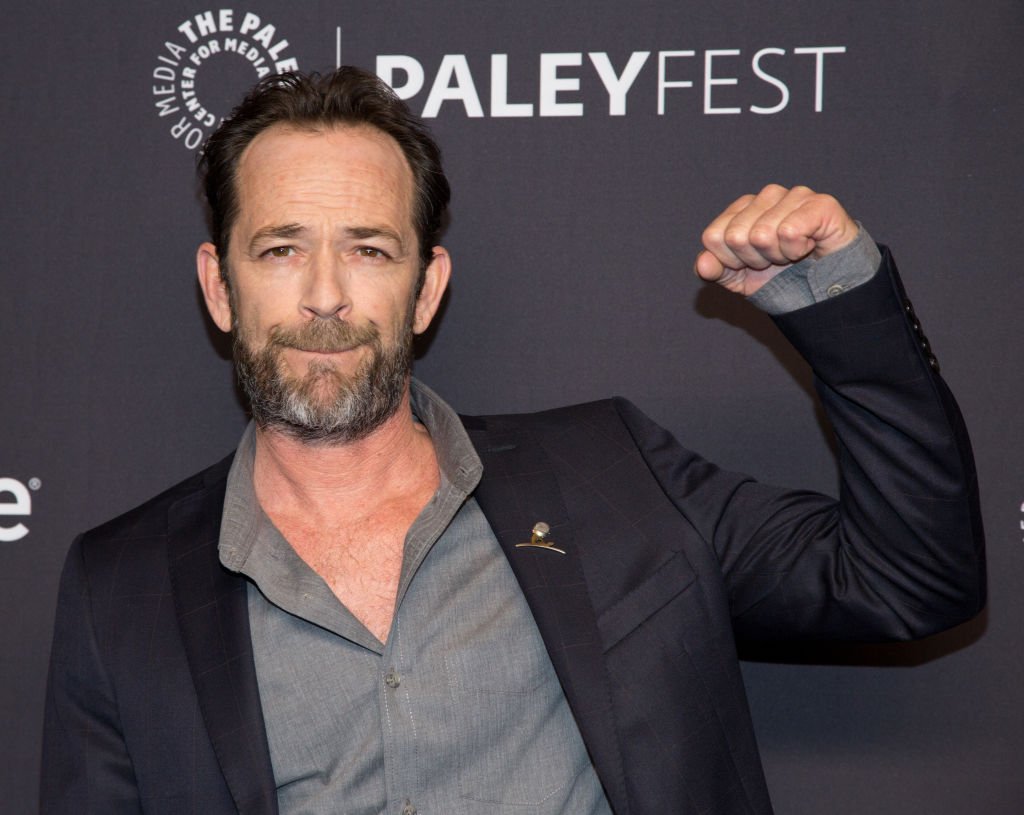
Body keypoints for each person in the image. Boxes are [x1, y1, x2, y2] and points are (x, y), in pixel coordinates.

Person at [40, 67, 984, 815]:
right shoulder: (118, 586)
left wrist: (840, 300)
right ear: (219, 284)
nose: (325, 294)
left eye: (369, 248)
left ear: (426, 286)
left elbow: (910, 577)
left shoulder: (614, 476)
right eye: (282, 247)